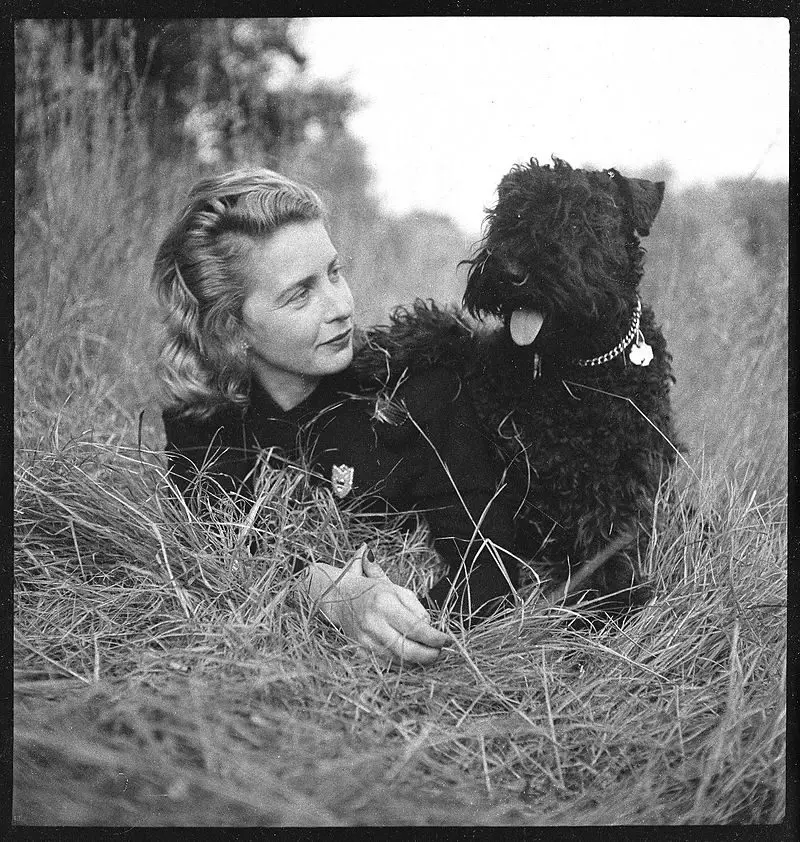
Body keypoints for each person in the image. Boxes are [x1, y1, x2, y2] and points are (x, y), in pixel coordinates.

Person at [153, 168, 522, 666]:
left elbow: (491, 572)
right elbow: (215, 557)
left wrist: (406, 627)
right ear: (230, 327)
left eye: (334, 271)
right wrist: (324, 590)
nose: (342, 305)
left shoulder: (420, 392)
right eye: (299, 293)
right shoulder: (204, 418)